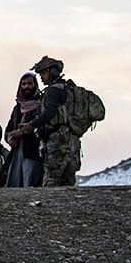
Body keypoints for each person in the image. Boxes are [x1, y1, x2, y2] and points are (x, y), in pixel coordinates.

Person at [27, 56, 86, 187]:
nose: (41, 77)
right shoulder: (69, 88)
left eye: (43, 73)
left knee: (51, 184)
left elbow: (50, 111)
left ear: (52, 72)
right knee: (68, 183)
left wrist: (31, 125)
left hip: (57, 145)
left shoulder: (53, 90)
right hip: (73, 144)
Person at [2, 72, 45, 188]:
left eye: (29, 84)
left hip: (34, 152)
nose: (27, 87)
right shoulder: (17, 109)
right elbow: (8, 130)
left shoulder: (41, 105)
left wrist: (26, 130)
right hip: (17, 151)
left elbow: (44, 127)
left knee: (30, 183)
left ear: (35, 85)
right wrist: (9, 138)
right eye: (24, 84)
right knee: (15, 183)